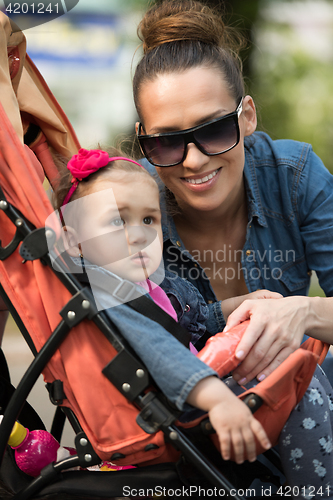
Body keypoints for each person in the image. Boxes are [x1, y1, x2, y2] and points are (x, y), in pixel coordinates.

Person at [53, 147, 333, 497]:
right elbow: (161, 354)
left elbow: (196, 318)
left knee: (312, 356)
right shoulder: (108, 297)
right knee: (300, 382)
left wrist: (237, 305)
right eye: (116, 221)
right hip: (182, 405)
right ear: (73, 241)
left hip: (200, 383)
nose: (139, 234)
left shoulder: (151, 283)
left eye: (149, 220)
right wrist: (219, 400)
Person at [132, 0, 333, 389]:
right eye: (167, 142)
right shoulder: (126, 205)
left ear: (248, 117)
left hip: (292, 406)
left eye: (213, 130)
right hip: (185, 431)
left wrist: (302, 312)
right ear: (144, 140)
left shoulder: (295, 176)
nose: (193, 161)